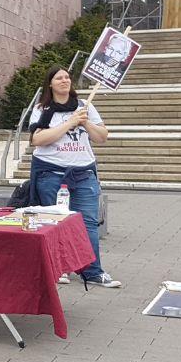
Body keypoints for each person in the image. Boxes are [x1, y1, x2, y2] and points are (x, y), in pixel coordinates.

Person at [28, 65, 120, 288]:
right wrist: (69, 122)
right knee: (56, 223)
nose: (64, 81)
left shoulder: (84, 106)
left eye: (67, 77)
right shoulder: (43, 109)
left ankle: (92, 271)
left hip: (84, 174)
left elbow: (102, 136)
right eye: (59, 78)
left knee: (88, 223)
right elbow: (38, 140)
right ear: (50, 83)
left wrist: (85, 121)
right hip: (52, 173)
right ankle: (60, 268)